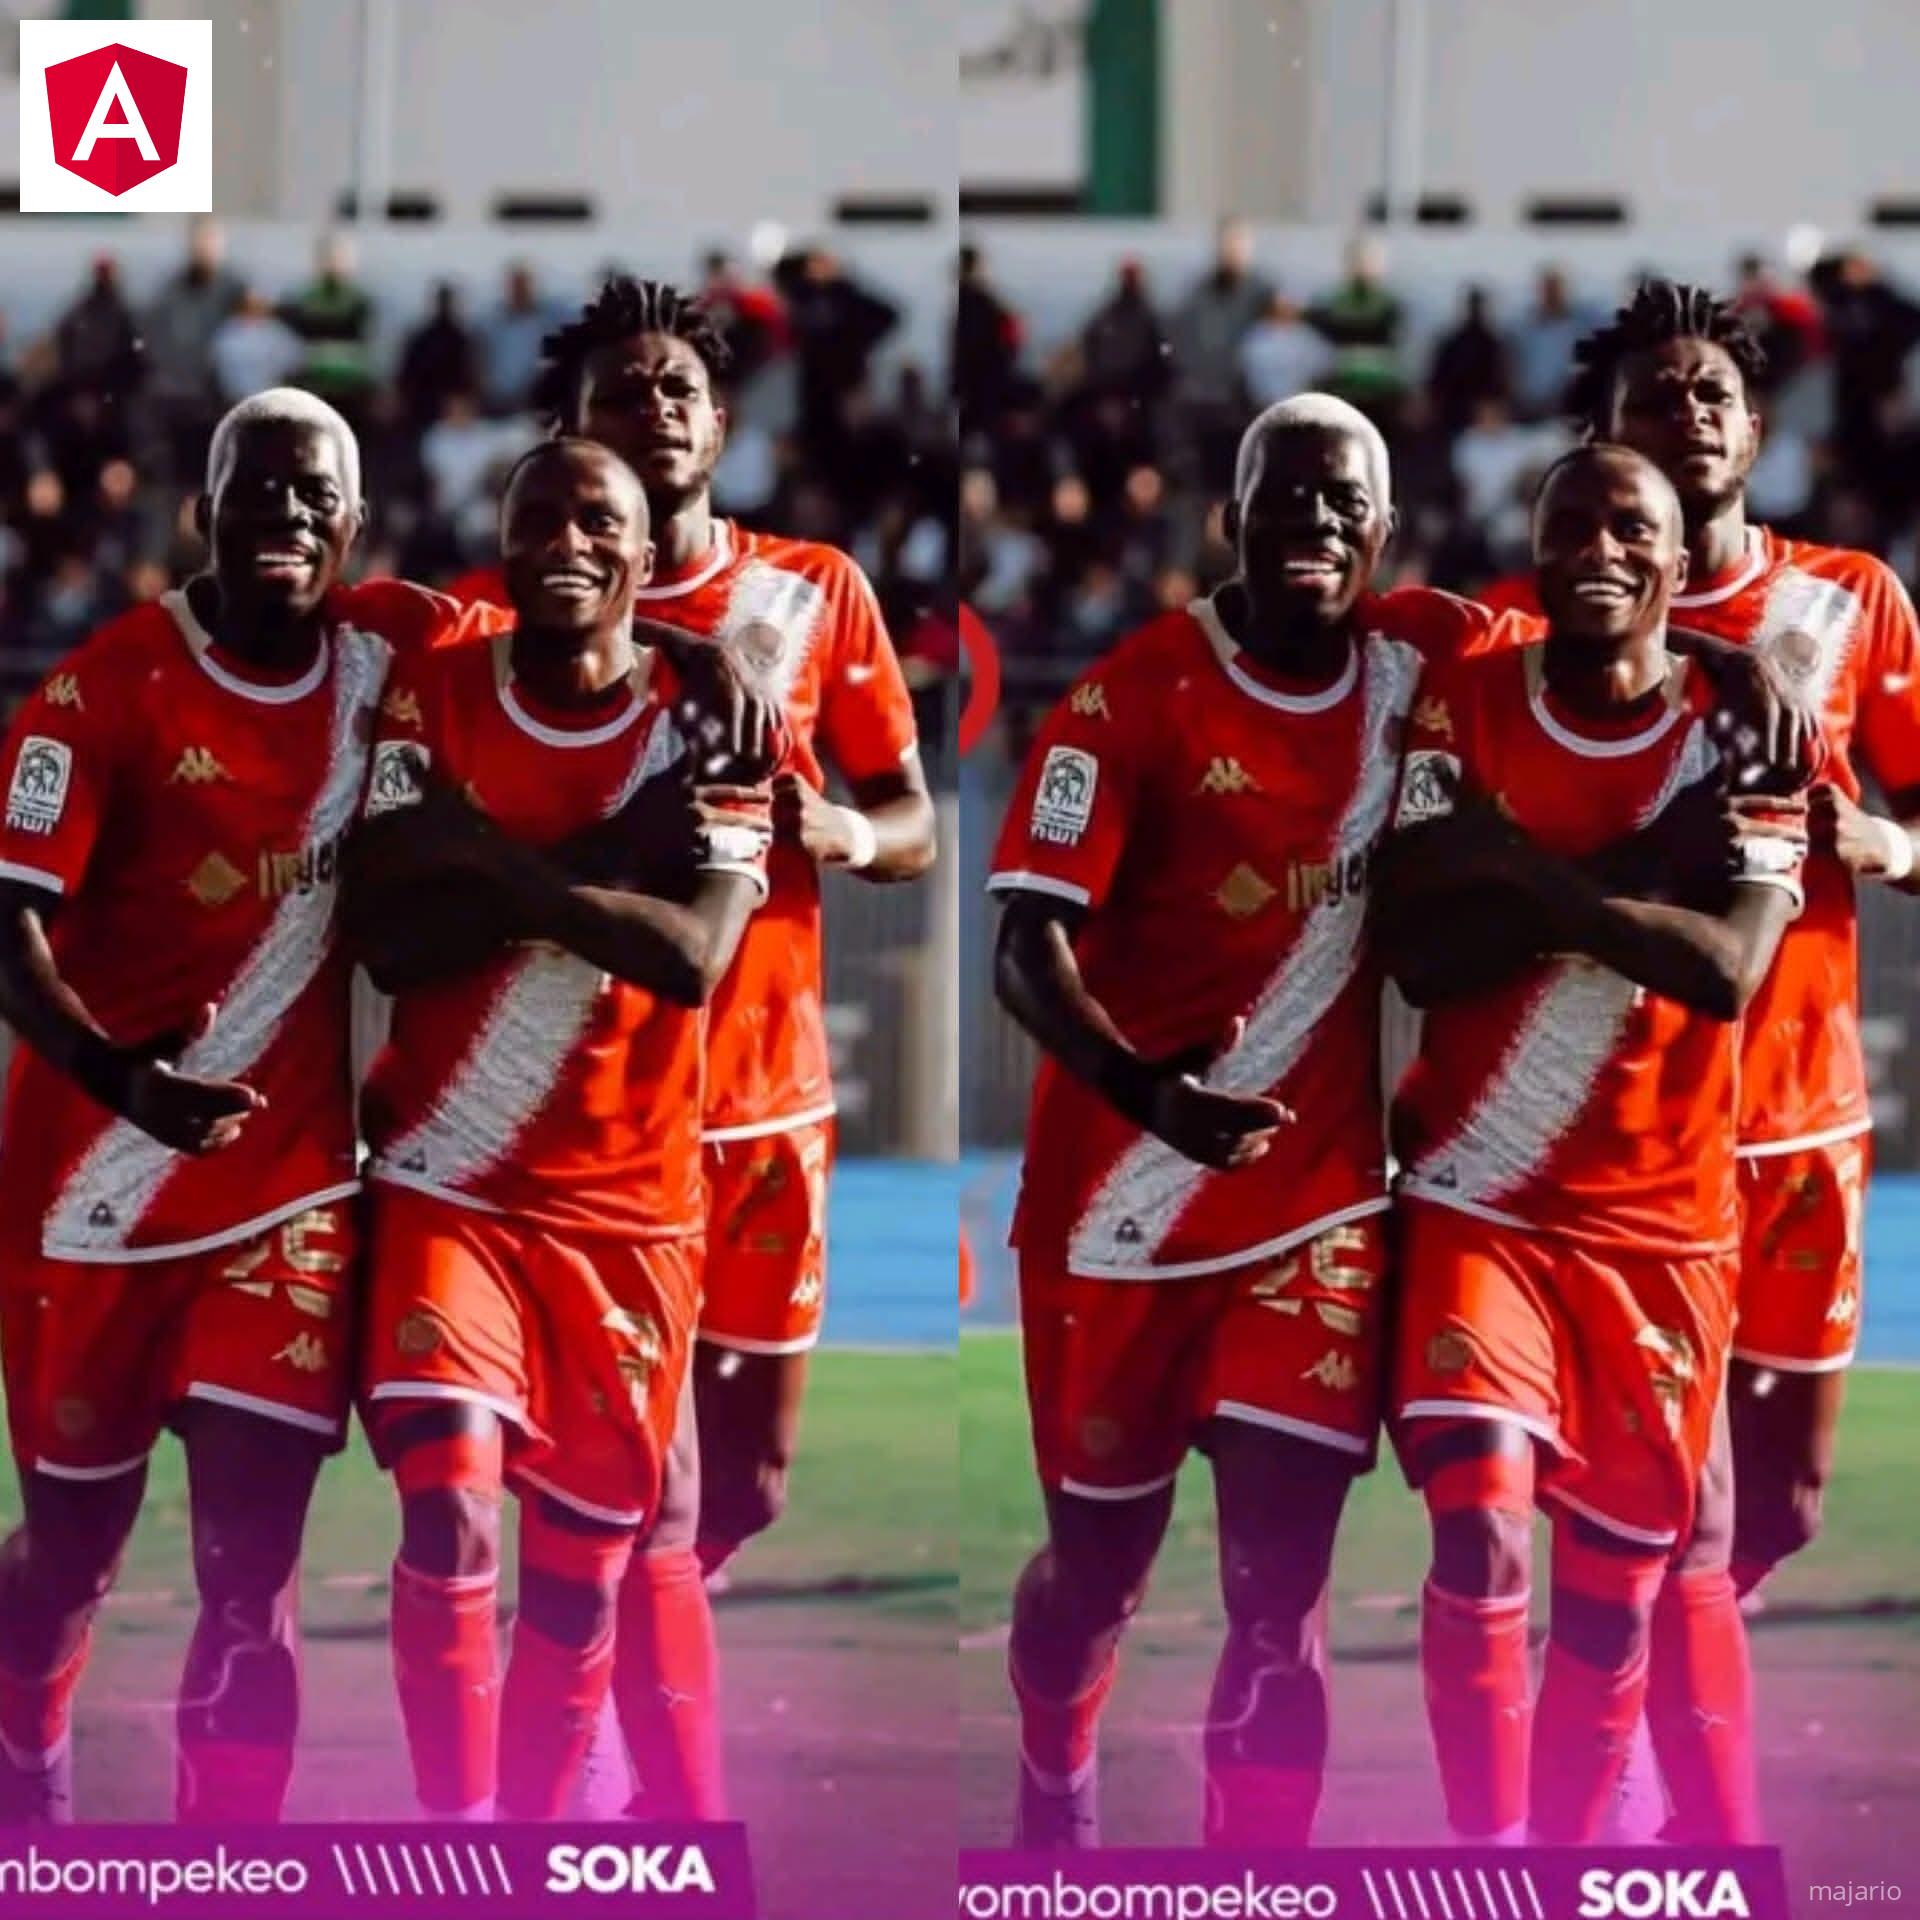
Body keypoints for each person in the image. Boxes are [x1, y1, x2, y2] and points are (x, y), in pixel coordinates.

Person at [985, 395, 1510, 1849]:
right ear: (1231, 515)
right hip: (1117, 1214)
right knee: (1096, 1578)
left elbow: (1616, 621)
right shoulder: (1130, 698)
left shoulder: (1426, 663)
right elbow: (1022, 946)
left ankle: (1256, 1875)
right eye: (1288, 494)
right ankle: (1054, 1764)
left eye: (1346, 503)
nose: (1316, 524)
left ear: (1385, 533)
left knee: (1280, 1605)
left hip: (1313, 1213)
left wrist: (1744, 662)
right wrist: (1143, 1090)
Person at [454, 276, 935, 1819]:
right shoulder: (514, 603)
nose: (654, 409)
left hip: (768, 1100)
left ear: (721, 424)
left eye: (679, 389)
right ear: (571, 427)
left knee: (749, 1485)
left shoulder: (811, 592)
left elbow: (914, 818)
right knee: (633, 1480)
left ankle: (615, 1616)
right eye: (622, 390)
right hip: (593, 1110)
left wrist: (845, 831)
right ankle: (601, 1705)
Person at [0, 389, 460, 1824]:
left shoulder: (392, 651)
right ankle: (25, 1754)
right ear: (204, 510)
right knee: (71, 1552)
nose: (287, 517)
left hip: (286, 1195)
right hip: (90, 1193)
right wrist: (117, 1076)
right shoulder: (99, 694)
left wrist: (707, 655)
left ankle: (231, 1865)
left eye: (317, 497)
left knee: (249, 1577)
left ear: (356, 524)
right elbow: (7, 928)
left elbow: (575, 620)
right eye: (257, 489)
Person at [1378, 442, 1809, 1844]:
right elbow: (1424, 954)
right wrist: (1642, 872)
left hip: (1661, 1231)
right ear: (1536, 547)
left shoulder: (1747, 734)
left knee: (1617, 1607)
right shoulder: (1463, 701)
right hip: (1480, 1198)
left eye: (1633, 529)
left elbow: (1727, 969)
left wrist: (1518, 870)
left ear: (1680, 565)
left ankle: (1567, 1868)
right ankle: (1490, 1859)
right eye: (1572, 524)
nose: (1600, 550)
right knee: (1481, 1523)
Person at [1483, 285, 1920, 1649]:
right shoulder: (1529, 625)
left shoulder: (1852, 603)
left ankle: (1647, 1657)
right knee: (1646, 1492)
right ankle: (1619, 1715)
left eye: (1713, 392)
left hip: (1796, 1118)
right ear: (1601, 439)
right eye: (1656, 397)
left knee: (1780, 1503)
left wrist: (1887, 842)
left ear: (1757, 427)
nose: (1690, 414)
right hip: (1615, 1126)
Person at [346, 435, 775, 1822]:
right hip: (449, 1180)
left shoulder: (714, 724)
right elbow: (393, 941)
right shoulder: (432, 692)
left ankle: (535, 1854)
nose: (568, 544)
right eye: (540, 518)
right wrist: (609, 861)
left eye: (600, 523)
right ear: (503, 541)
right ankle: (460, 1838)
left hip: (628, 1214)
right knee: (451, 1504)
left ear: (647, 557)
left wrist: (487, 858)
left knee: (583, 1585)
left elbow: (694, 956)